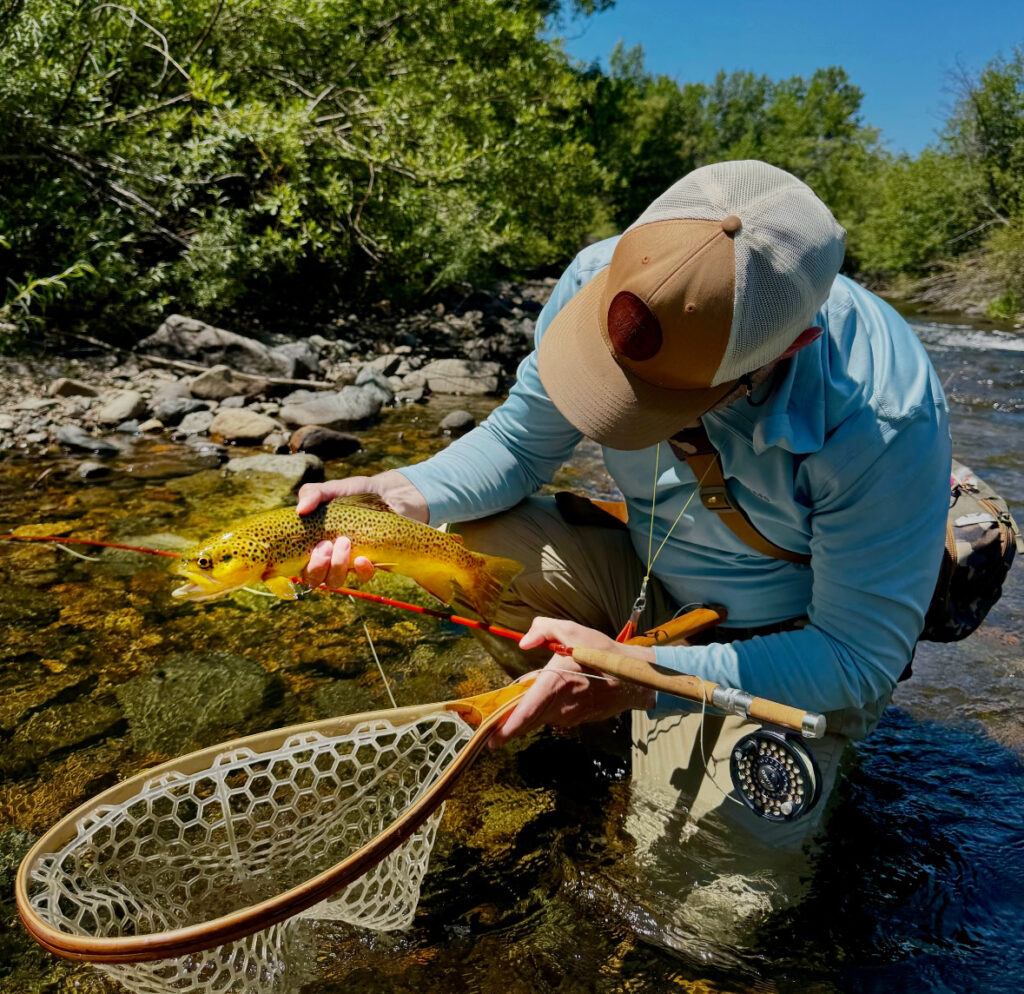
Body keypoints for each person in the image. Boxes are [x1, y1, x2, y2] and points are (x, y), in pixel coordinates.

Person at [297, 160, 951, 930]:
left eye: (661, 403)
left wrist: (639, 675)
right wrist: (406, 493)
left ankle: (648, 717)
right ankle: (602, 712)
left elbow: (853, 654)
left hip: (791, 649)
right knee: (460, 543)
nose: (625, 414)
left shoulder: (883, 415)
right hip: (648, 583)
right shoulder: (605, 282)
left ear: (793, 344)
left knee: (702, 910)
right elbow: (518, 447)